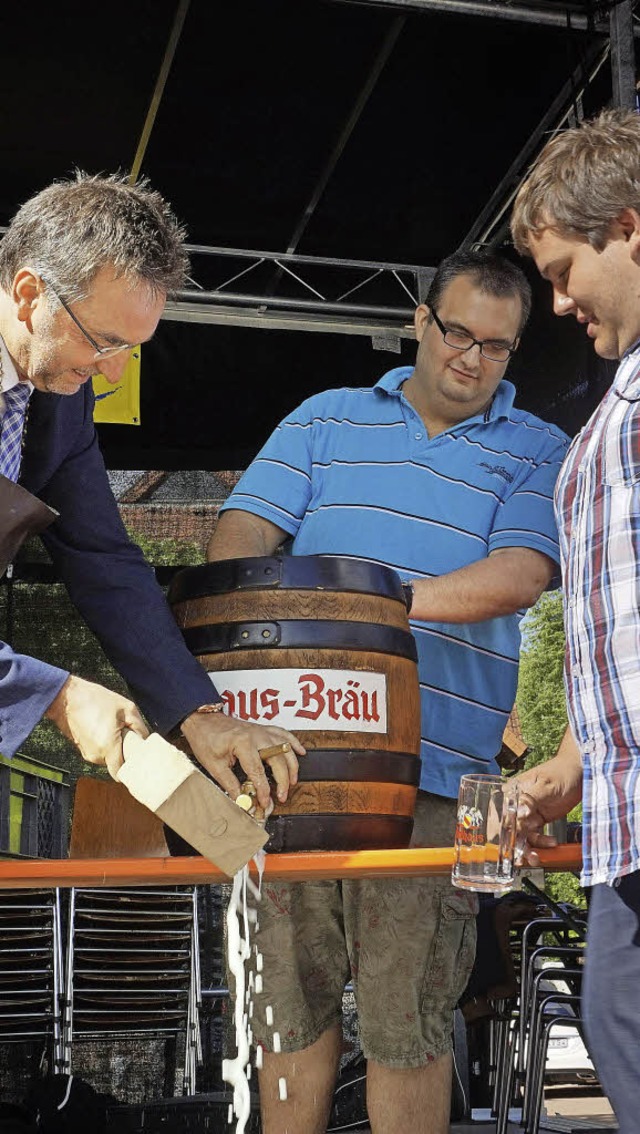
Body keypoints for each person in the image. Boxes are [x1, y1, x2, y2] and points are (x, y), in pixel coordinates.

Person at [207, 249, 569, 1134]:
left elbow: (519, 575)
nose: (472, 359)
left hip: (441, 784)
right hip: (287, 771)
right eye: (456, 333)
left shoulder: (540, 446)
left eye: (498, 346)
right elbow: (242, 532)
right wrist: (266, 596)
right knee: (287, 1013)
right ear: (419, 320)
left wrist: (362, 611)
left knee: (410, 1023)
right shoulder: (325, 418)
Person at [0, 171, 302, 804]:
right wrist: (56, 696)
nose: (112, 373)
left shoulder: (61, 403)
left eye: (131, 350)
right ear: (29, 294)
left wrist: (198, 713)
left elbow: (104, 560)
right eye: (104, 341)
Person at [510, 106, 640, 1134]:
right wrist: (567, 764)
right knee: (613, 1019)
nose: (555, 303)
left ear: (629, 227)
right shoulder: (615, 404)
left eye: (562, 271)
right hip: (624, 819)